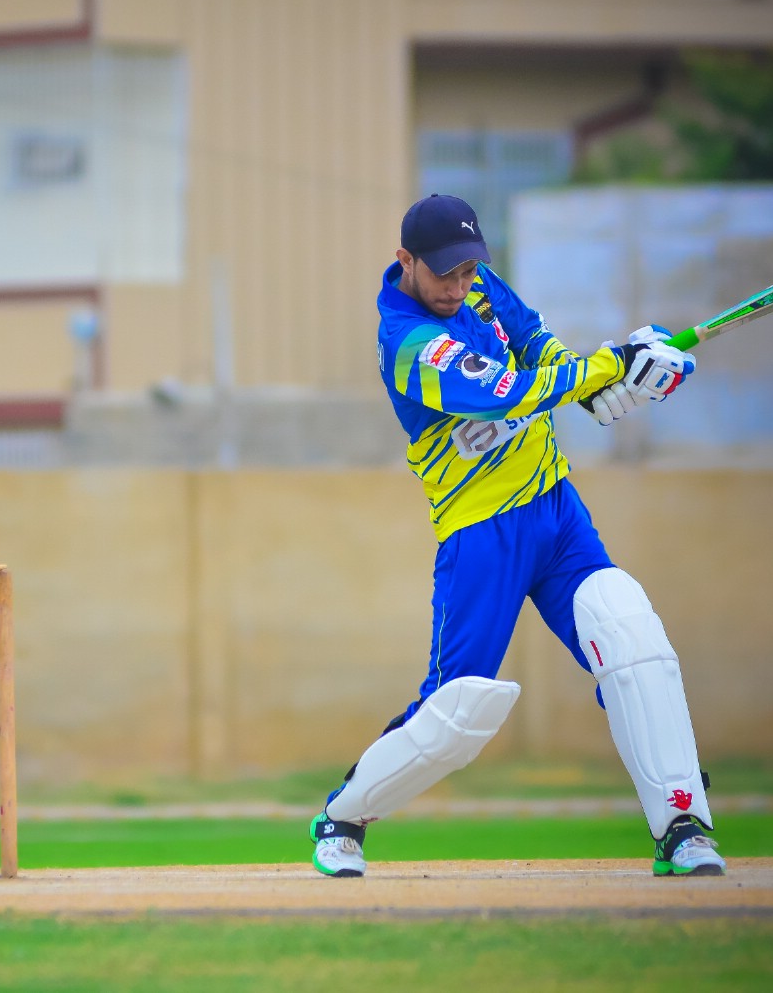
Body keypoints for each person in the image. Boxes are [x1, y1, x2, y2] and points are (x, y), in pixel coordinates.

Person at [309, 194, 724, 879]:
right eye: (442, 273)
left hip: (556, 512)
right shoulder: (406, 342)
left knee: (632, 644)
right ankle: (343, 818)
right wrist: (608, 366)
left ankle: (682, 827)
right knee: (455, 713)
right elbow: (502, 390)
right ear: (405, 261)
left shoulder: (475, 283)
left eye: (468, 271)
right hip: (481, 534)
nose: (457, 286)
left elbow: (533, 342)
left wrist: (600, 386)